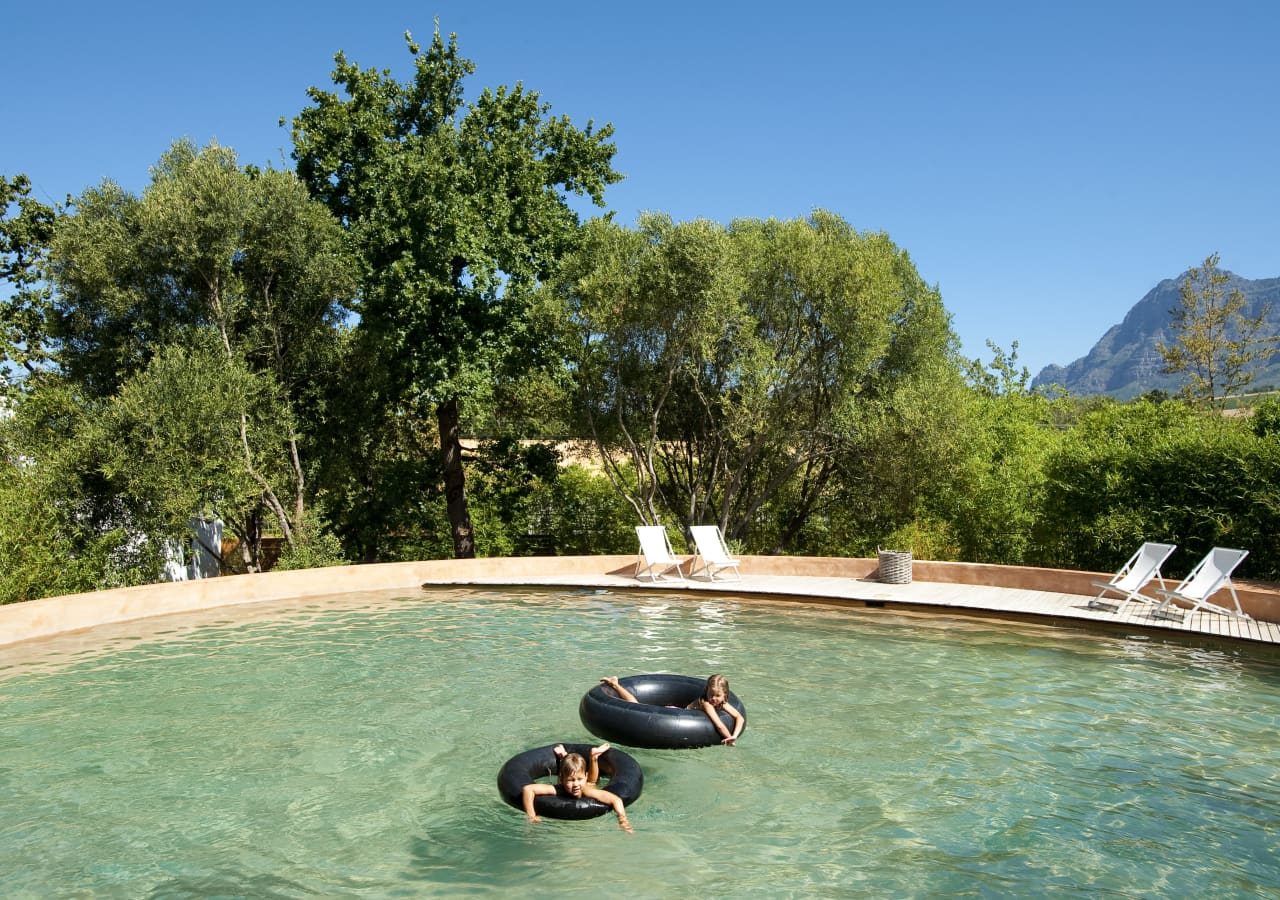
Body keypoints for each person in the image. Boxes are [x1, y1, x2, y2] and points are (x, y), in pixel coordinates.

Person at [600, 673, 745, 745]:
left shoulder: (722, 703)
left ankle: (616, 685)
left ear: (725, 695)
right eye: (711, 694)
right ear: (706, 691)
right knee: (637, 706)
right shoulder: (707, 703)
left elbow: (739, 717)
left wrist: (735, 735)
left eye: (717, 696)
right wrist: (729, 738)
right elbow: (719, 724)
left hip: (680, 715)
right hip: (674, 714)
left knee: (638, 705)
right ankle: (616, 685)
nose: (713, 698)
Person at [522, 743, 633, 833]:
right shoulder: (559, 788)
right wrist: (531, 816)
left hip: (588, 784)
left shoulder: (587, 790)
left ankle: (593, 757)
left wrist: (623, 820)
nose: (575, 784)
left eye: (579, 779)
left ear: (584, 776)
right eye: (571, 780)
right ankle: (564, 757)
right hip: (570, 778)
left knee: (592, 782)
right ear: (562, 780)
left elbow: (616, 800)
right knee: (577, 775)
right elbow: (528, 789)